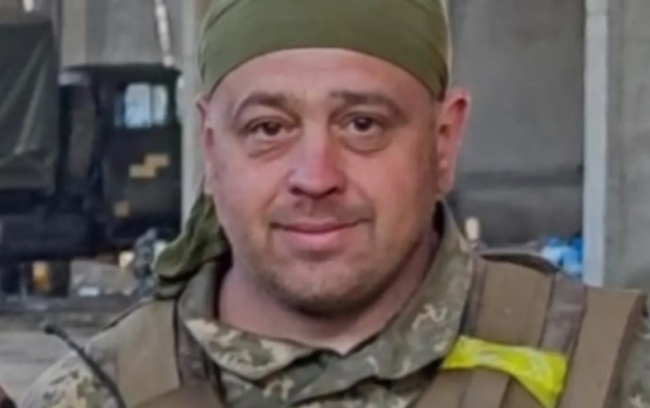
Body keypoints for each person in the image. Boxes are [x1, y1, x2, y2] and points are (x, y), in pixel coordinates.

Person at [20, 0, 650, 407]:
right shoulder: (97, 395)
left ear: (443, 140)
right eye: (268, 128)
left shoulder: (609, 372)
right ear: (211, 148)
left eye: (363, 124)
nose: (315, 177)